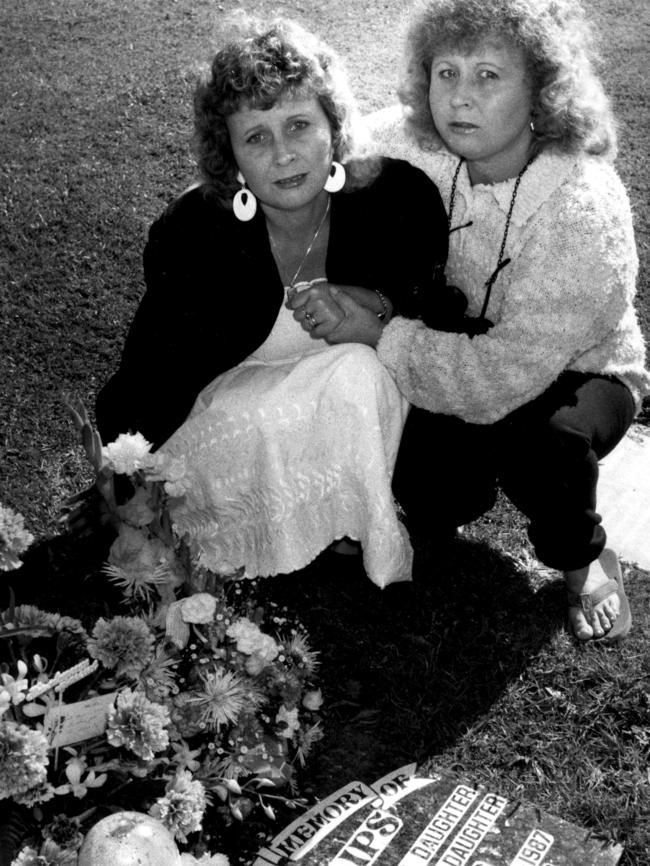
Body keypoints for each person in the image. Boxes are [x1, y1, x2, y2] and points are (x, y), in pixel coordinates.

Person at [293, 0, 650, 641]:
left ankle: (583, 556)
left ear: (542, 89)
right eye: (446, 72)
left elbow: (501, 375)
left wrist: (380, 331)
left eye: (489, 76)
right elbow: (323, 156)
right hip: (462, 342)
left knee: (544, 444)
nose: (460, 98)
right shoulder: (418, 144)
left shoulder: (583, 209)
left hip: (580, 367)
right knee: (436, 492)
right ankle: (435, 498)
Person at [94, 16, 451, 588]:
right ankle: (246, 528)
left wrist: (370, 306)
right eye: (257, 137)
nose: (284, 155)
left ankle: (347, 518)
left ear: (333, 128)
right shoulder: (196, 235)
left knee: (362, 369)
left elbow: (434, 325)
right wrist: (127, 492)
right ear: (230, 154)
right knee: (341, 379)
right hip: (231, 422)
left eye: (300, 125)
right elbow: (147, 372)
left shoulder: (396, 201)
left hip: (340, 401)